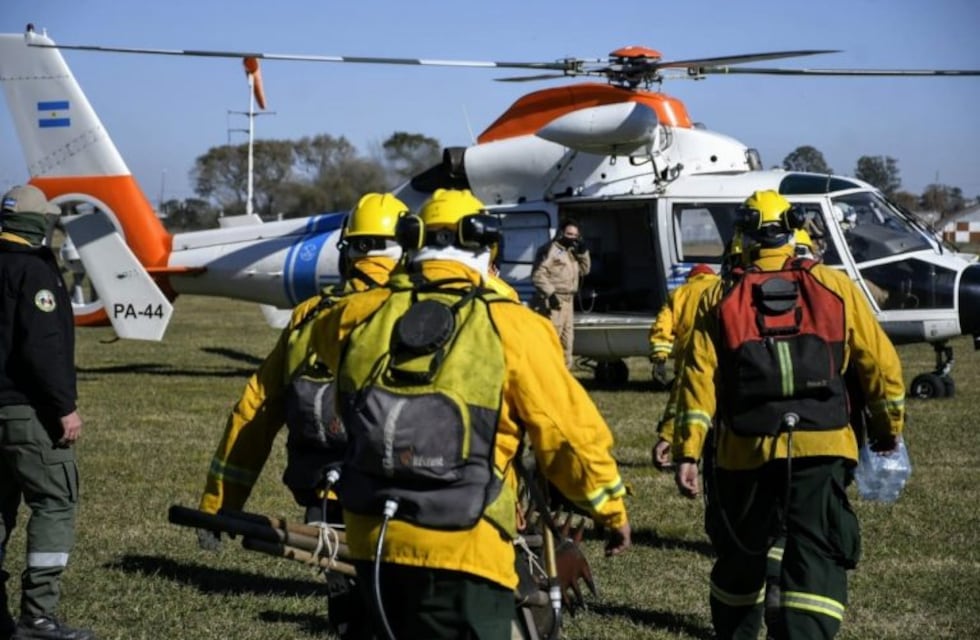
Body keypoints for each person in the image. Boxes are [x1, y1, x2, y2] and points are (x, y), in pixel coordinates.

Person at [308, 188, 630, 639]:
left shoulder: (355, 318)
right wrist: (611, 510)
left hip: (371, 543)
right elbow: (569, 435)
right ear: (487, 246)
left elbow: (325, 342)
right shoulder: (515, 327)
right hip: (467, 551)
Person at [672, 190, 906, 640]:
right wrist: (886, 428)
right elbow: (881, 364)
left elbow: (698, 379)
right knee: (815, 553)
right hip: (824, 446)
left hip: (743, 452)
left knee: (741, 554)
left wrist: (687, 452)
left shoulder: (718, 296)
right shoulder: (835, 287)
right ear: (795, 232)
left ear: (742, 236)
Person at [197, 192, 407, 639]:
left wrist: (220, 503)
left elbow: (255, 408)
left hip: (323, 495)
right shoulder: (421, 314)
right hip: (403, 498)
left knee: (348, 601)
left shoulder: (310, 317)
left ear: (348, 250)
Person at [0, 185, 94, 640]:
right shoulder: (35, 272)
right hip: (26, 412)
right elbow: (43, 348)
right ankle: (38, 615)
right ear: (37, 224)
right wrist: (64, 409)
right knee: (55, 501)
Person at [647, 263, 719, 469]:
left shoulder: (679, 293)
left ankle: (673, 447)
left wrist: (660, 356)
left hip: (689, 360)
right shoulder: (722, 288)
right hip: (717, 358)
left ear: (691, 277)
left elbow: (663, 326)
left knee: (683, 406)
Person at [531, 219, 590, 369]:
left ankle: (563, 378)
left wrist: (583, 253)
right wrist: (551, 295)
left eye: (575, 235)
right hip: (554, 301)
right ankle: (545, 375)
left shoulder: (570, 252)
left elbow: (584, 270)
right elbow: (538, 275)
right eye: (569, 234)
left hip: (568, 301)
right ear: (561, 233)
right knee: (551, 340)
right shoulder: (551, 250)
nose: (572, 237)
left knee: (567, 342)